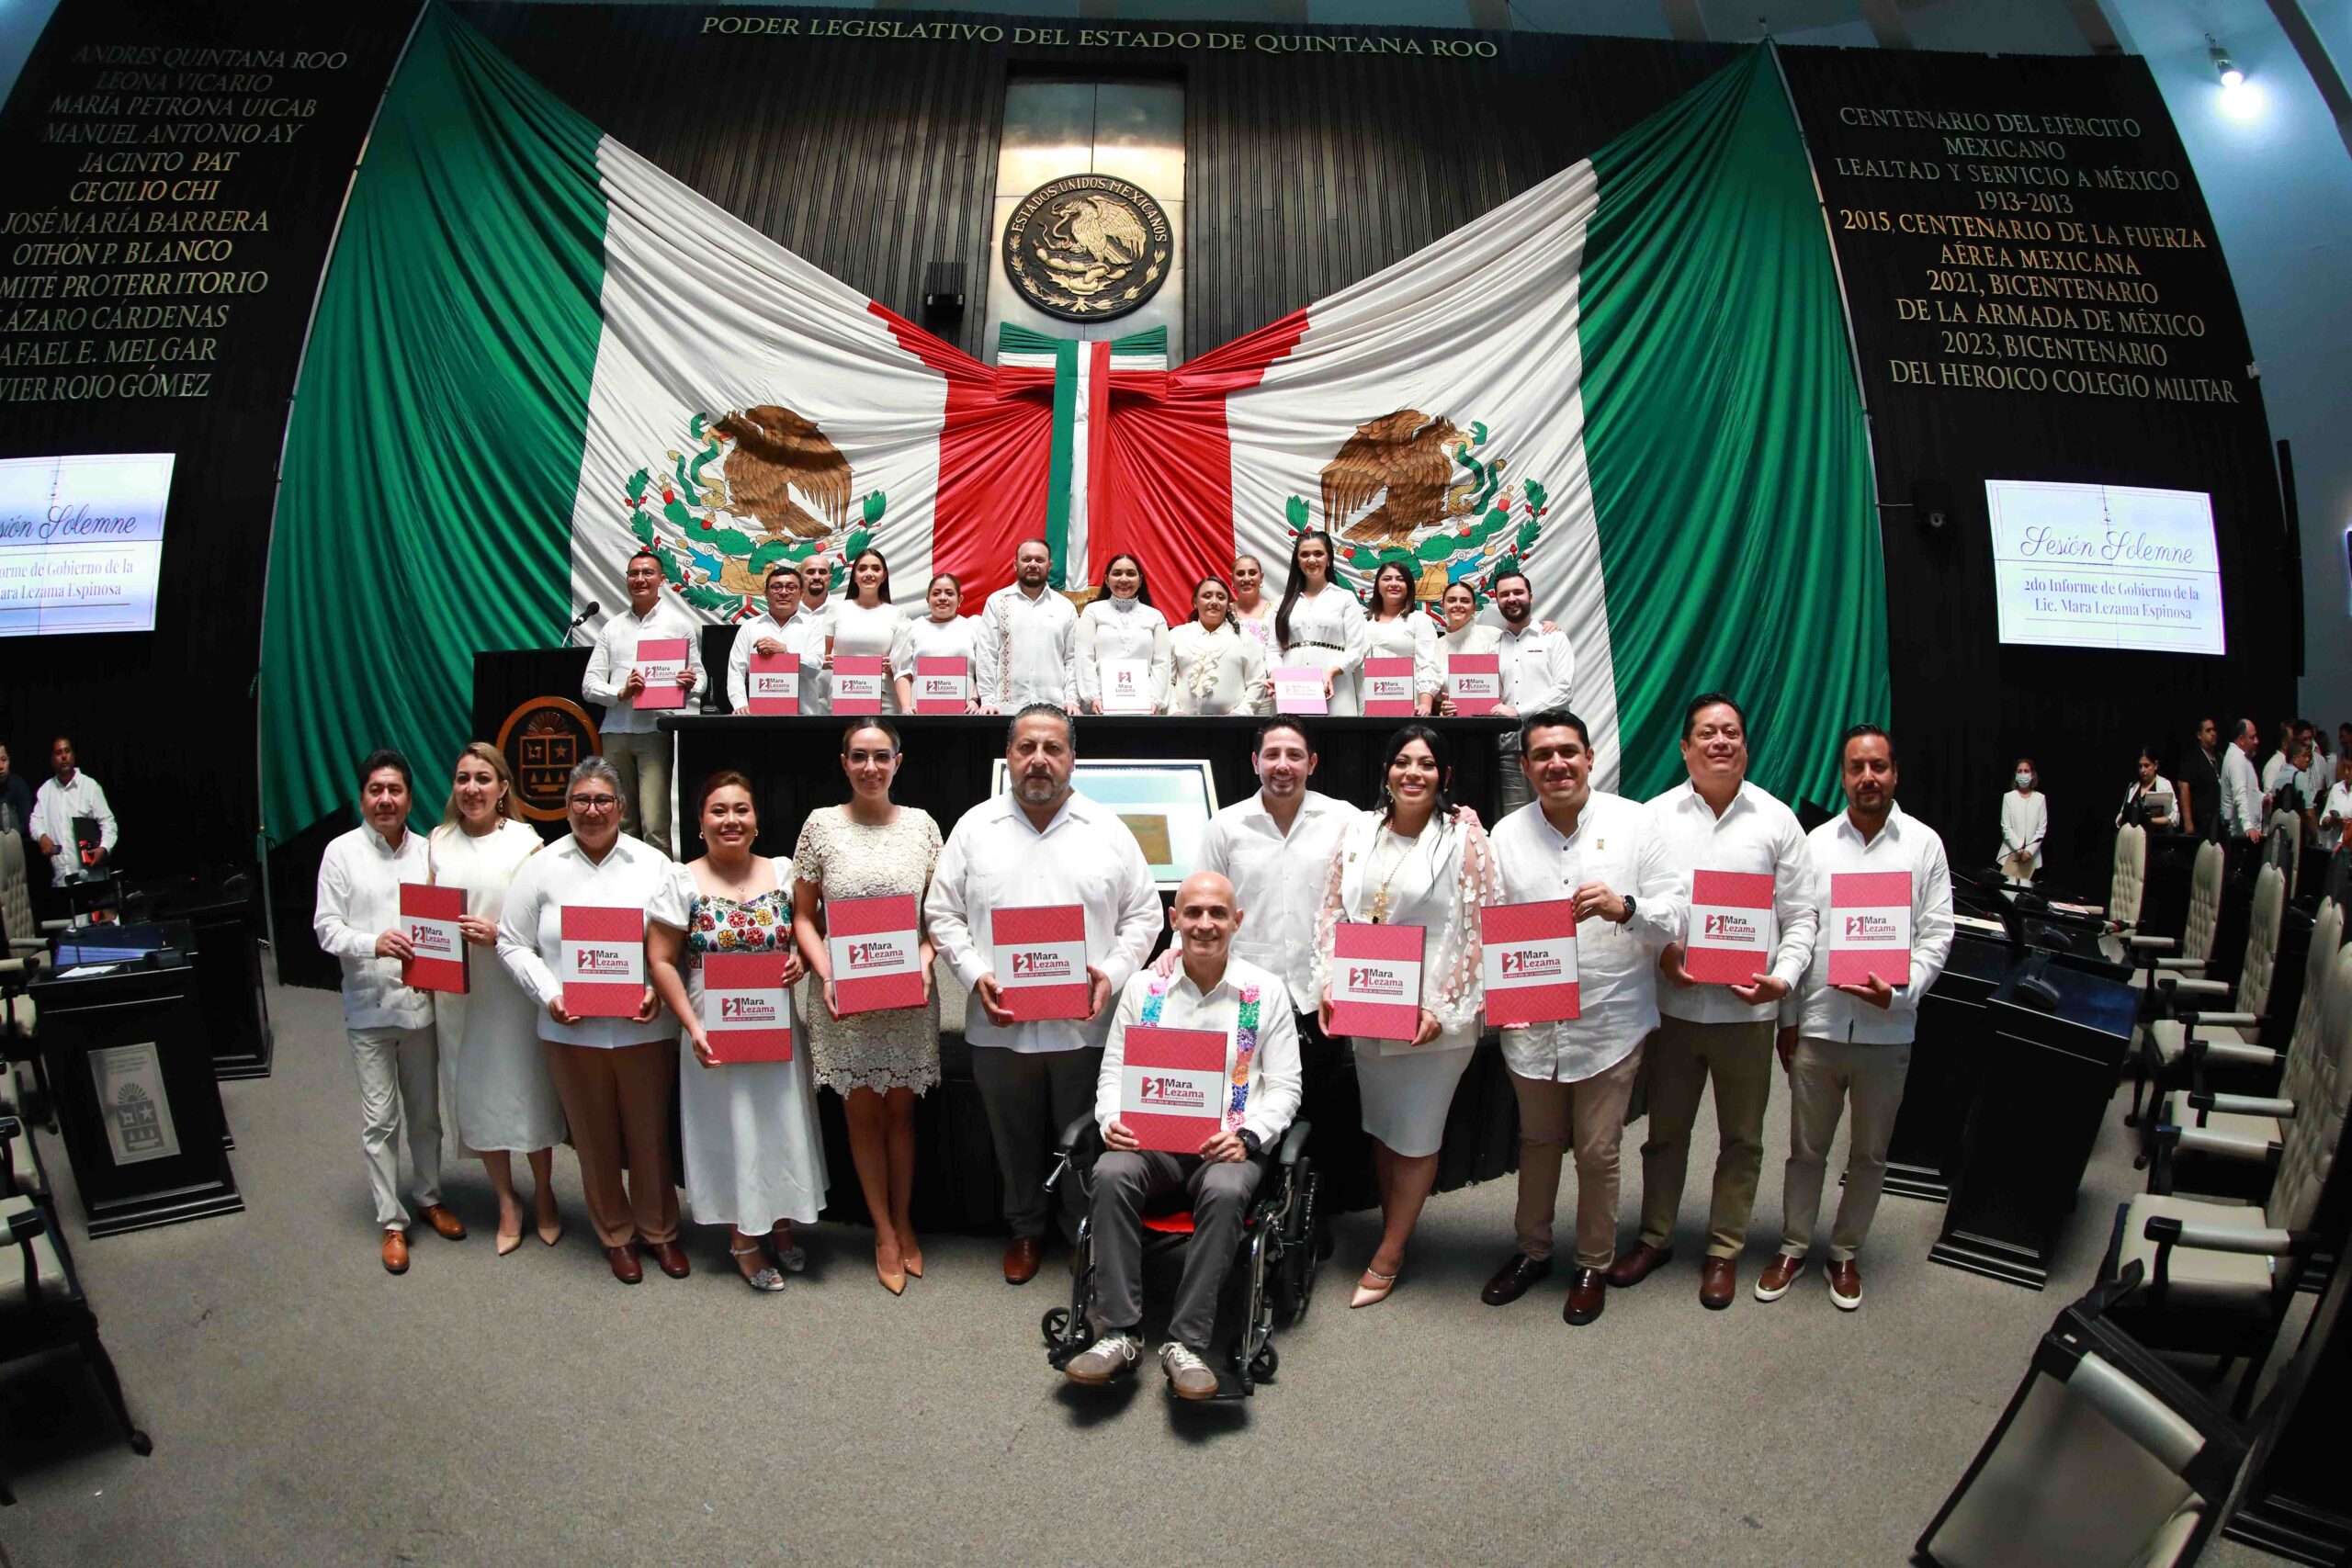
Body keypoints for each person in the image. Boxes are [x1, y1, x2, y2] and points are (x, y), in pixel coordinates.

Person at [926, 706, 1159, 1281]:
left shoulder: (1108, 829)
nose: (1038, 760)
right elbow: (942, 914)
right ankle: (1026, 1228)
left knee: (1084, 1138)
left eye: (1052, 748)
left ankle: (1082, 1232)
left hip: (1085, 1024)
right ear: (1008, 755)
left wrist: (1111, 971)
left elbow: (1145, 915)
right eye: (1026, 747)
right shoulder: (974, 828)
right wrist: (976, 974)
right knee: (1013, 1137)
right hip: (999, 1024)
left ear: (1072, 759)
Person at [1062, 871, 1303, 1399]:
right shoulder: (1145, 989)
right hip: (1153, 1146)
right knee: (1109, 1170)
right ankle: (1122, 1334)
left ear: (1237, 921)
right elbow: (1114, 1069)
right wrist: (1110, 1120)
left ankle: (1186, 1343)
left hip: (1227, 1148)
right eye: (1193, 912)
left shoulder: (1265, 992)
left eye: (1218, 913)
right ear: (1175, 920)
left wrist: (1251, 1136)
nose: (1205, 924)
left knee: (1224, 1189)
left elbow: (1285, 1087)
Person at [1614, 694, 1817, 1309]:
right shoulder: (1652, 817)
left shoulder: (1778, 820)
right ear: (1685, 747)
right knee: (1664, 1133)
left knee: (1742, 1138)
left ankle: (1725, 1248)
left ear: (1746, 746)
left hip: (1747, 1015)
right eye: (1707, 732)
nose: (1720, 741)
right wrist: (1662, 952)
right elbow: (1634, 906)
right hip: (1674, 1010)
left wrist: (1781, 981)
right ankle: (1655, 1236)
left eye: (1731, 731)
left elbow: (1802, 917)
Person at [1482, 710, 1684, 1326]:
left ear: (1590, 757)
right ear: (1526, 766)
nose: (1556, 764)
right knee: (1538, 1141)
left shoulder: (1636, 821)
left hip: (1609, 1017)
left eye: (1568, 751)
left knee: (1597, 1150)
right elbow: (1490, 923)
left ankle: (1593, 1261)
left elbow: (1674, 913)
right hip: (1534, 1020)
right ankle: (1532, 1249)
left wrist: (1625, 907)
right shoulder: (1506, 833)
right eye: (1542, 755)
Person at [1755, 725, 1952, 1311]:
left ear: (1895, 773)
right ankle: (1793, 1244)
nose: (1868, 778)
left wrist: (1901, 990)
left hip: (1888, 1030)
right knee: (1805, 1150)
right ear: (1842, 776)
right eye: (1857, 768)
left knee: (1868, 1154)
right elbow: (1798, 931)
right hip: (1818, 1026)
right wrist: (1787, 1018)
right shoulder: (1814, 845)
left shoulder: (1924, 846)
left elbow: (1937, 935)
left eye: (1879, 767)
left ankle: (1844, 1253)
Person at [1312, 723, 1502, 1307]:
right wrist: (1328, 983)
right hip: (1370, 1003)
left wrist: (1442, 1008)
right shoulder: (1358, 831)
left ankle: (1390, 1251)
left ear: (1445, 775)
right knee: (1385, 1127)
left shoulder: (1465, 838)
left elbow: (1483, 928)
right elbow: (1330, 910)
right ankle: (1399, 1227)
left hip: (1433, 1020)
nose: (1411, 773)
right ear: (1386, 772)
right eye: (1401, 762)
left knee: (1417, 1136)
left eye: (1425, 764)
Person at [497, 756, 686, 1285]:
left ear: (622, 807)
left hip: (643, 1028)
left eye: (603, 799)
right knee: (594, 1136)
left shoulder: (655, 866)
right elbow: (511, 942)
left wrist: (656, 990)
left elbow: (678, 941)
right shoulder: (540, 868)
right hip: (570, 1028)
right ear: (566, 807)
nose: (592, 809)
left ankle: (660, 1230)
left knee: (649, 1134)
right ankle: (616, 1234)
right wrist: (549, 994)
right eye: (581, 800)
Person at [646, 773, 827, 1292]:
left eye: (741, 809)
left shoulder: (783, 871)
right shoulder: (681, 880)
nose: (731, 820)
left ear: (756, 819)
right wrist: (692, 1026)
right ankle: (742, 1236)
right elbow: (660, 960)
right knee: (729, 1129)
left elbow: (808, 929)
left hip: (773, 1025)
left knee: (778, 1123)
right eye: (719, 811)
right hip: (713, 1028)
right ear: (701, 822)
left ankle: (781, 1221)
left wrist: (798, 959)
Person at [791, 721, 944, 1295]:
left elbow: (942, 918)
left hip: (907, 995)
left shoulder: (924, 828)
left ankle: (904, 1220)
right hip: (843, 994)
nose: (871, 767)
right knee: (861, 1112)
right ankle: (882, 1231)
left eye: (882, 757)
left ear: (898, 763)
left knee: (901, 1112)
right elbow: (803, 917)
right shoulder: (821, 827)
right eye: (860, 757)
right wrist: (827, 971)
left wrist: (926, 959)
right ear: (844, 761)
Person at [312, 749, 467, 1274]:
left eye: (395, 790)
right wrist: (372, 942)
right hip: (369, 1008)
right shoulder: (340, 853)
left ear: (408, 797)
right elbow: (325, 928)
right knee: (381, 1120)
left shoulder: (427, 853)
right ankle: (392, 1221)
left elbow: (444, 924)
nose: (386, 800)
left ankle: (429, 1196)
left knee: (426, 1116)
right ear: (362, 797)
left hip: (420, 1007)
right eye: (376, 790)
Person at [1193, 719, 1351, 1189]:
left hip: (1318, 993)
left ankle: (1308, 1213)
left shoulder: (1345, 820)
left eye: (1295, 755)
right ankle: (1246, 1204)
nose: (1283, 765)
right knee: (1245, 1102)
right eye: (1272, 755)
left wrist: (1458, 818)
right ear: (1255, 762)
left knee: (1318, 1110)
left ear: (1312, 763)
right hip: (1246, 996)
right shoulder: (1226, 825)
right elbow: (1200, 904)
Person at [427, 743, 564, 1255]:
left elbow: (543, 920)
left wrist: (499, 933)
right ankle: (507, 1199)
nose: (471, 789)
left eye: (483, 778)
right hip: (461, 993)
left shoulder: (526, 843)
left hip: (511, 986)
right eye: (463, 778)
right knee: (477, 1092)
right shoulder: (437, 841)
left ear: (503, 788)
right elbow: (426, 914)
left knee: (528, 1088)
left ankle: (545, 1193)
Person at [581, 549, 705, 856]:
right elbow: (589, 686)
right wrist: (620, 693)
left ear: (662, 579)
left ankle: (659, 896)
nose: (640, 579)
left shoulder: (679, 625)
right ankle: (625, 892)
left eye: (647, 573)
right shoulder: (612, 628)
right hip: (615, 732)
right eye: (633, 573)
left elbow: (701, 681)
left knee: (655, 825)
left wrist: (689, 684)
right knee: (620, 821)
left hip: (654, 732)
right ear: (626, 580)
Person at [975, 538, 1080, 713]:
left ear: (1050, 565)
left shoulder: (1065, 606)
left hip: (1056, 708)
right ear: (1015, 565)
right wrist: (987, 700)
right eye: (1026, 559)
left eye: (1039, 560)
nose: (1033, 564)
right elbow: (987, 654)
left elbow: (1073, 658)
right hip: (1005, 709)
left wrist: (1071, 698)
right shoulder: (997, 602)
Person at [1274, 529, 1368, 715]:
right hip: (1292, 687)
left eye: (1318, 553)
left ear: (1329, 559)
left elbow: (1356, 649)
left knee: (1336, 740)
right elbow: (1272, 650)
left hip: (1337, 686)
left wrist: (1333, 672)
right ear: (1297, 561)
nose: (1312, 560)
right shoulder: (1281, 602)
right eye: (1305, 554)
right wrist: (1277, 676)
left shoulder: (1345, 599)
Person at [1075, 552, 1171, 715]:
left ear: (1140, 580)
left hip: (1144, 708)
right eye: (1117, 573)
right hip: (1100, 706)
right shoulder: (1093, 611)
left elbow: (1162, 663)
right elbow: (1084, 657)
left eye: (1131, 574)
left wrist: (1155, 700)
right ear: (1106, 579)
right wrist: (1093, 697)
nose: (1124, 579)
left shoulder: (1155, 616)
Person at [726, 563, 829, 716]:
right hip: (757, 718)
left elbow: (814, 669)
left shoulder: (813, 625)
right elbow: (736, 671)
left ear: (801, 594)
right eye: (776, 587)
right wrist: (740, 704)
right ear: (766, 593)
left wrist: (785, 651)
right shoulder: (750, 627)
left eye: (791, 587)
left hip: (803, 719)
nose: (783, 592)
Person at [1165, 575, 1271, 716]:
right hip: (1180, 724)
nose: (1214, 602)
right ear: (1195, 602)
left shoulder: (1244, 637)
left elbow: (1257, 682)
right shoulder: (1177, 635)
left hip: (1232, 727)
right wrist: (1173, 711)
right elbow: (1166, 679)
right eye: (1207, 596)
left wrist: (1241, 713)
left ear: (1228, 605)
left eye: (1221, 597)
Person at [827, 547, 907, 715]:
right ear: (854, 576)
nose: (869, 574)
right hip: (843, 694)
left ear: (884, 576)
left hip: (884, 698)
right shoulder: (836, 609)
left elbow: (903, 666)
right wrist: (827, 662)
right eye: (862, 569)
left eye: (875, 569)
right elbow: (823, 658)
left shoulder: (896, 614)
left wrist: (891, 667)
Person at [30, 736, 118, 883]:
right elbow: (35, 820)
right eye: (58, 753)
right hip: (62, 881)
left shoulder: (90, 787)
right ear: (52, 760)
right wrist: (42, 836)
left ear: (73, 756)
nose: (64, 756)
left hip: (92, 878)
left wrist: (104, 848)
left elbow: (110, 825)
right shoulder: (45, 791)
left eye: (67, 751)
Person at [891, 572, 980, 713]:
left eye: (949, 593)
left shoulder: (974, 627)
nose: (942, 598)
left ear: (960, 599)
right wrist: (906, 707)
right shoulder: (911, 629)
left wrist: (975, 700)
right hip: (920, 714)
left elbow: (984, 670)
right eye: (936, 593)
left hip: (966, 713)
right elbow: (902, 674)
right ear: (928, 599)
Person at [1361, 560, 1440, 716]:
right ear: (1377, 585)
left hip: (1408, 709)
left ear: (1409, 586)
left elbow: (1428, 664)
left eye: (1400, 579)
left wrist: (1425, 704)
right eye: (1387, 579)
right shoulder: (1363, 622)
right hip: (1367, 708)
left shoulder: (1419, 620)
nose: (1394, 583)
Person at [1229, 553, 1280, 702]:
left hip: (1268, 690)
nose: (1246, 579)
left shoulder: (1276, 610)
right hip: (1232, 690)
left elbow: (1279, 650)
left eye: (1252, 573)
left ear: (1261, 577)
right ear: (1232, 579)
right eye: (1240, 574)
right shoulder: (1224, 612)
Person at [1997, 759, 2046, 883]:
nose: (2023, 774)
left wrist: (2029, 851)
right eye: (2020, 771)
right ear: (2016, 774)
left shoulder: (2040, 798)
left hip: (2032, 859)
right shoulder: (2008, 797)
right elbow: (2006, 827)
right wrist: (2020, 850)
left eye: (2026, 771)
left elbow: (2041, 828)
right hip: (2009, 855)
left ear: (2032, 774)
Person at [2220, 717, 2265, 842]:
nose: (2256, 741)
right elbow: (2240, 794)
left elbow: (2250, 790)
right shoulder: (2237, 759)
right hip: (2239, 838)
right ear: (2241, 740)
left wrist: (2262, 798)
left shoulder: (2242, 758)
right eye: (2252, 737)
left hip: (2243, 834)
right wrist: (2248, 826)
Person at [2178, 716, 2222, 840]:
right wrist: (2188, 822)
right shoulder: (2193, 759)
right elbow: (2184, 787)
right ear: (2199, 735)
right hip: (2200, 824)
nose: (2213, 734)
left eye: (2214, 730)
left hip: (2217, 821)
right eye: (2208, 731)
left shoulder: (2220, 758)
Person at [2118, 747, 2176, 830]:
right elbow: (2122, 814)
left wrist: (2149, 820)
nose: (2143, 770)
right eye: (2140, 766)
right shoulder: (2133, 786)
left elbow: (2173, 817)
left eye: (2146, 766)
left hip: (2156, 836)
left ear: (2155, 765)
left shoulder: (2165, 785)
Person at [2318, 752, 2352, 854]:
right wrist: (2332, 820)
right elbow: (2324, 819)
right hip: (2330, 846)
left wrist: (2346, 825)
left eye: (2350, 769)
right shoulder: (2336, 788)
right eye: (2344, 768)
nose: (2346, 773)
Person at [0, 744, 34, 840]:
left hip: (17, 845)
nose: (1, 766)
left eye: (3, 760)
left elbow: (26, 823)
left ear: (9, 760)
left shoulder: (18, 785)